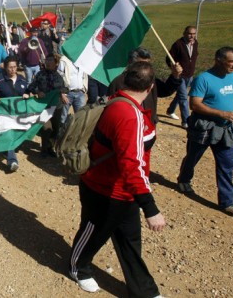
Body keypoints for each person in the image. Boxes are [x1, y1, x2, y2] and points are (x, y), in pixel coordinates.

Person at [69, 61, 165, 297]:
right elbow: (131, 165)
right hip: (104, 191)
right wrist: (150, 209)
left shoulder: (122, 103)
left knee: (130, 242)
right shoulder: (128, 114)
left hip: (124, 192)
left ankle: (144, 291)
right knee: (93, 232)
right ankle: (78, 268)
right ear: (151, 86)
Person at [177, 47, 233, 215]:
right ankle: (184, 179)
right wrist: (222, 113)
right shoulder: (204, 78)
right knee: (193, 156)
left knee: (227, 164)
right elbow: (195, 104)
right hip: (204, 127)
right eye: (231, 61)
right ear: (219, 60)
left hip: (226, 128)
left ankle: (227, 202)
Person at [109, 47, 182, 124]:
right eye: (141, 65)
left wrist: (175, 76)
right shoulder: (118, 82)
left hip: (148, 125)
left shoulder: (150, 79)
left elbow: (165, 90)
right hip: (127, 126)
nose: (146, 68)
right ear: (131, 64)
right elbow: (111, 111)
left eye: (148, 65)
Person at [0, 57, 29, 172]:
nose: (13, 69)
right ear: (5, 68)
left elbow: (28, 90)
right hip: (5, 114)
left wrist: (28, 94)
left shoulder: (22, 79)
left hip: (19, 115)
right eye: (10, 67)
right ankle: (12, 161)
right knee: (9, 136)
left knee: (16, 136)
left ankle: (4, 149)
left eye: (15, 67)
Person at [27, 54, 66, 157]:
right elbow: (31, 86)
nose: (48, 62)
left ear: (56, 63)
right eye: (46, 60)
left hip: (57, 106)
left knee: (55, 128)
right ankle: (44, 149)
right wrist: (38, 91)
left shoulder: (59, 76)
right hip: (44, 107)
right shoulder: (40, 74)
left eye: (50, 60)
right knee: (46, 128)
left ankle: (50, 148)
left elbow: (65, 88)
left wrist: (62, 93)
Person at [166, 26, 199, 128]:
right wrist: (174, 68)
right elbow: (169, 58)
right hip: (180, 75)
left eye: (194, 34)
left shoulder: (195, 43)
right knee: (184, 97)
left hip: (190, 75)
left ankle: (170, 110)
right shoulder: (178, 44)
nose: (192, 36)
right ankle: (186, 121)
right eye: (189, 33)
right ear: (184, 33)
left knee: (180, 95)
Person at [58, 54, 88, 125]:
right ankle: (60, 133)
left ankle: (75, 134)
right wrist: (62, 94)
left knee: (80, 117)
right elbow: (58, 77)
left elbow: (84, 76)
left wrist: (84, 89)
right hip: (67, 93)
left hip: (80, 93)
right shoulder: (64, 60)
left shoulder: (82, 61)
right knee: (63, 117)